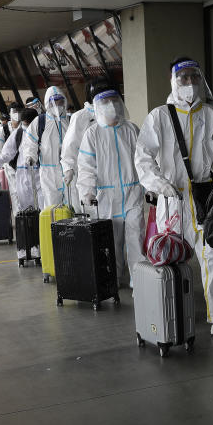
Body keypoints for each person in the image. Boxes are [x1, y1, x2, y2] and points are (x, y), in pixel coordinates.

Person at [135, 57, 213, 333]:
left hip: (204, 200)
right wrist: (159, 184)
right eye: (183, 77)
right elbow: (143, 157)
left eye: (194, 77)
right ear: (173, 81)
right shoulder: (160, 116)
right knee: (170, 258)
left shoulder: (211, 116)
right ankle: (169, 313)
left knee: (212, 257)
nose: (189, 83)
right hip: (172, 200)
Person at [69, 88, 143, 284]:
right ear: (97, 107)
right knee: (111, 241)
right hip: (105, 197)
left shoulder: (131, 129)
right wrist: (87, 191)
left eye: (114, 100)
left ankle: (139, 281)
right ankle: (114, 278)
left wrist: (150, 185)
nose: (111, 105)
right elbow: (86, 166)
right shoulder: (92, 134)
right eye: (106, 102)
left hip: (132, 193)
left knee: (136, 238)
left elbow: (144, 161)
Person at [0, 108, 41, 260]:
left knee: (43, 212)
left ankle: (45, 245)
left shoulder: (42, 130)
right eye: (23, 124)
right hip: (23, 175)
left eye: (27, 124)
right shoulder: (18, 133)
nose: (26, 127)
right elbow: (7, 153)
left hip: (42, 176)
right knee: (27, 213)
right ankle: (32, 246)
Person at [19, 86, 70, 208]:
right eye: (54, 102)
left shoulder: (71, 119)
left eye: (60, 101)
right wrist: (30, 156)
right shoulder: (40, 121)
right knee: (52, 205)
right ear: (47, 103)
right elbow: (30, 141)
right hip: (49, 172)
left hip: (70, 171)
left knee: (73, 204)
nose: (57, 105)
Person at [61, 77, 112, 195]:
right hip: (89, 173)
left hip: (111, 171)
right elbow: (70, 145)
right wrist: (68, 168)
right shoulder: (81, 117)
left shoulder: (112, 114)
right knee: (94, 209)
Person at [0, 102, 23, 213]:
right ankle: (19, 218)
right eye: (14, 111)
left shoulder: (27, 126)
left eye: (19, 111)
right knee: (15, 192)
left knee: (27, 192)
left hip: (24, 165)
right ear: (10, 113)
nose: (17, 114)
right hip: (10, 165)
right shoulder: (4, 129)